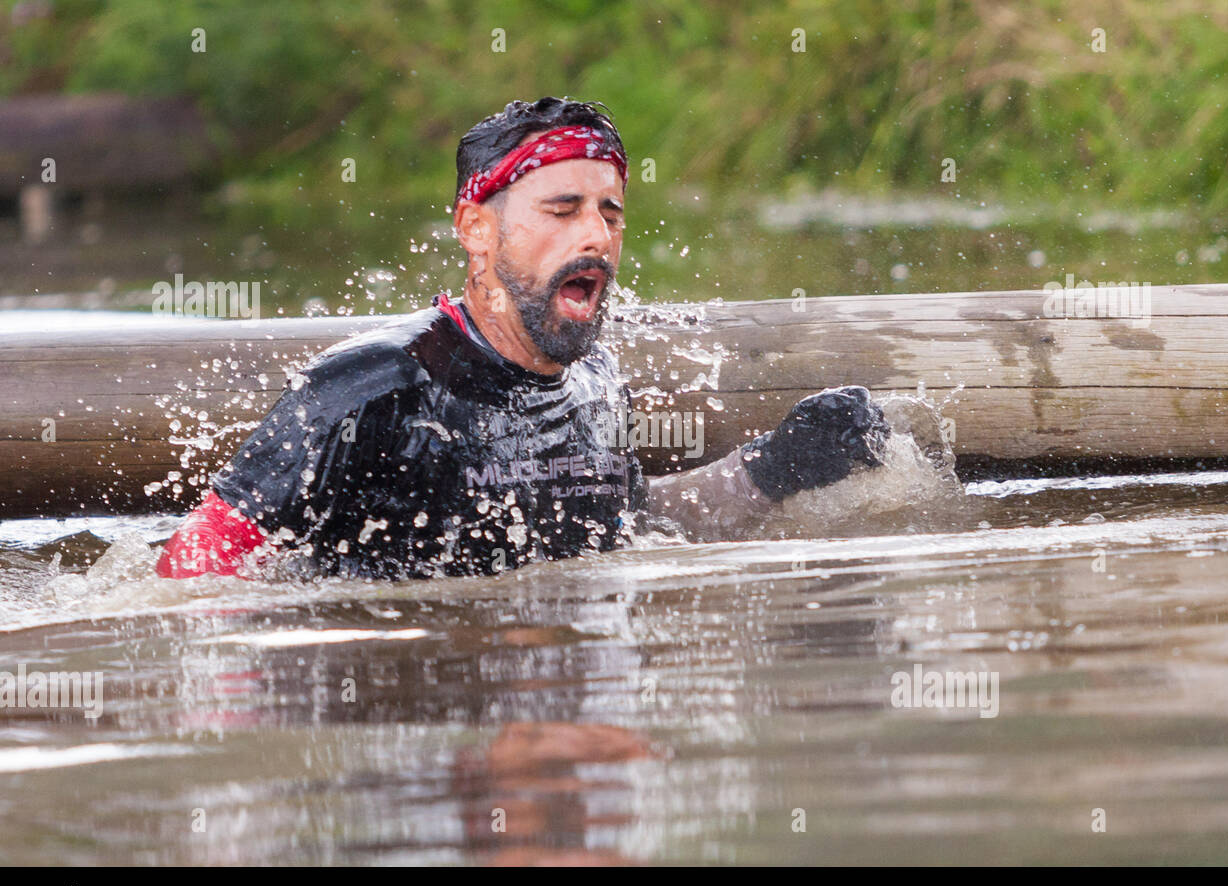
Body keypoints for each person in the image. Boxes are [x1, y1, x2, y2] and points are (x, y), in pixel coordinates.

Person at [156, 97, 891, 580]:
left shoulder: (594, 379)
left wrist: (773, 469)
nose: (596, 236)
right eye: (563, 209)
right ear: (477, 228)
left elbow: (629, 525)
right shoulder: (370, 388)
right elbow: (191, 573)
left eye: (610, 212)